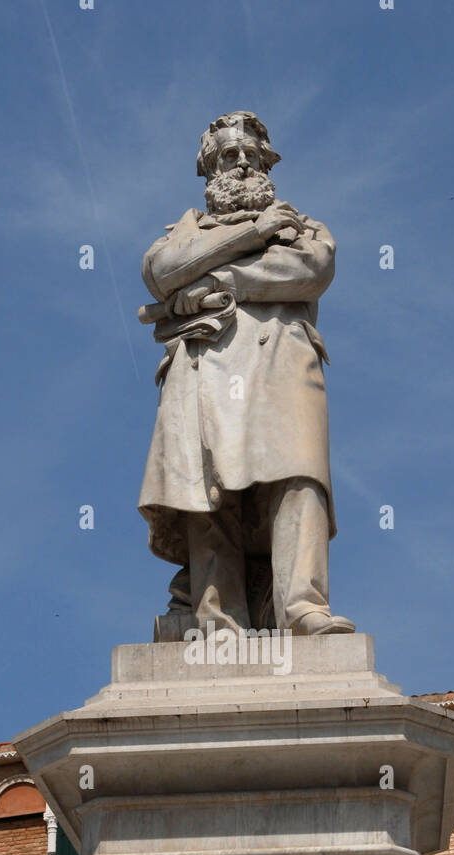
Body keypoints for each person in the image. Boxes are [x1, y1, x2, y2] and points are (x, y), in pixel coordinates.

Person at [138, 111, 354, 637]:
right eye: (229, 154)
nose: (241, 163)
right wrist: (252, 235)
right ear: (210, 167)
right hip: (204, 366)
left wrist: (216, 279)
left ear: (266, 162)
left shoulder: (303, 227)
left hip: (282, 361)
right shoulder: (183, 232)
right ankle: (217, 620)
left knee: (299, 476)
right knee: (206, 490)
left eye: (251, 154)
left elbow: (306, 273)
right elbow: (163, 273)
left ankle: (303, 608)